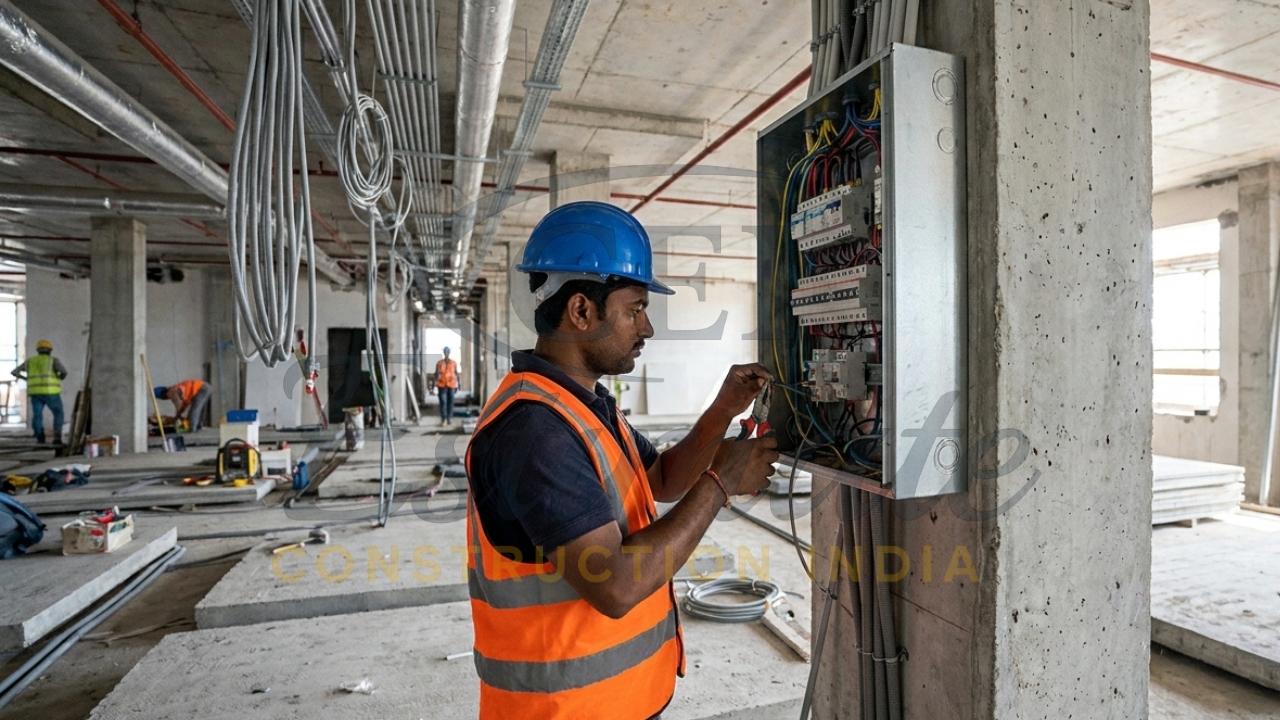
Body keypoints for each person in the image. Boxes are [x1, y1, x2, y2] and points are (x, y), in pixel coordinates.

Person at [466, 201, 778, 719]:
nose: (647, 328)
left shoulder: (582, 403)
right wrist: (721, 483)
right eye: (635, 308)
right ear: (582, 311)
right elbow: (615, 584)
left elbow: (661, 479)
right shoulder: (534, 429)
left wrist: (724, 408)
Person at [11, 339, 67, 445]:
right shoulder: (53, 360)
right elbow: (64, 372)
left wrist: (25, 379)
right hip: (52, 393)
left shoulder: (30, 361)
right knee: (58, 413)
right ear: (50, 350)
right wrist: (59, 378)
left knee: (37, 415)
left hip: (35, 393)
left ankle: (40, 439)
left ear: (38, 350)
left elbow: (14, 372)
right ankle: (57, 438)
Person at [434, 346, 459, 425]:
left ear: (449, 353)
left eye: (447, 352)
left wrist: (458, 384)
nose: (446, 354)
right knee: (443, 402)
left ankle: (449, 418)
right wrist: (433, 385)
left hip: (451, 385)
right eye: (445, 352)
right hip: (442, 385)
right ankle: (444, 418)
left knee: (450, 402)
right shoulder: (439, 363)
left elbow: (456, 373)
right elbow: (436, 374)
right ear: (444, 353)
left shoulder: (453, 363)